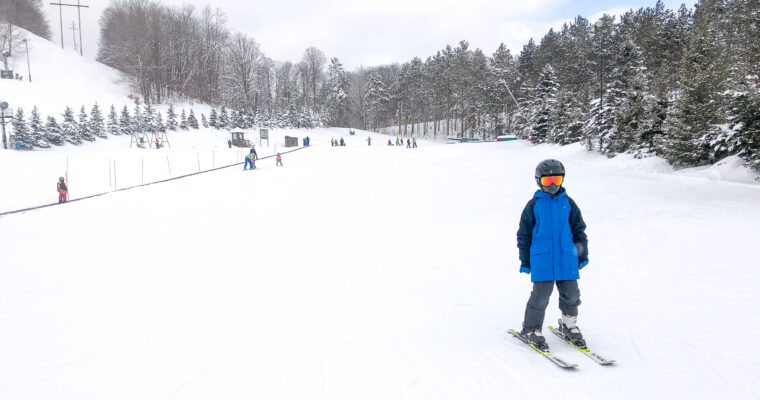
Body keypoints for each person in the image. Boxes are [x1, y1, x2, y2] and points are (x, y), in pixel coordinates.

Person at [516, 159, 588, 351]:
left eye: (556, 180)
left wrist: (582, 254)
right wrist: (525, 260)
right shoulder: (533, 205)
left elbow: (579, 230)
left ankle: (568, 324)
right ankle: (531, 329)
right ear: (539, 181)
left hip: (567, 259)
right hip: (543, 259)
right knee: (540, 297)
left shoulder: (569, 203)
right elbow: (524, 234)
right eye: (548, 181)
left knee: (572, 295)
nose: (553, 185)